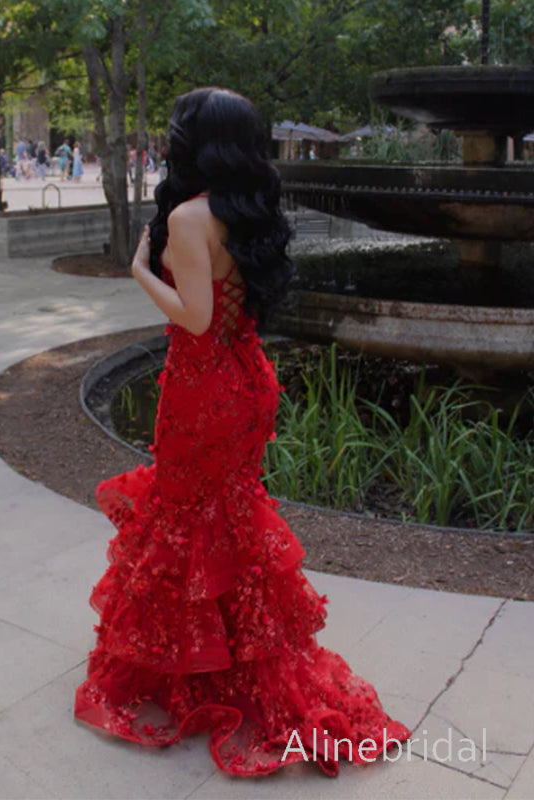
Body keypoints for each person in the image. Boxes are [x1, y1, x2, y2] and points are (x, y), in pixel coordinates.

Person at [73, 87, 412, 778]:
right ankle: (228, 651)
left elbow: (194, 318)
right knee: (225, 515)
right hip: (246, 379)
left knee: (190, 514)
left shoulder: (190, 219)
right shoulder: (248, 210)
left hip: (202, 390)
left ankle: (201, 667)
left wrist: (140, 269)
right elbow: (226, 312)